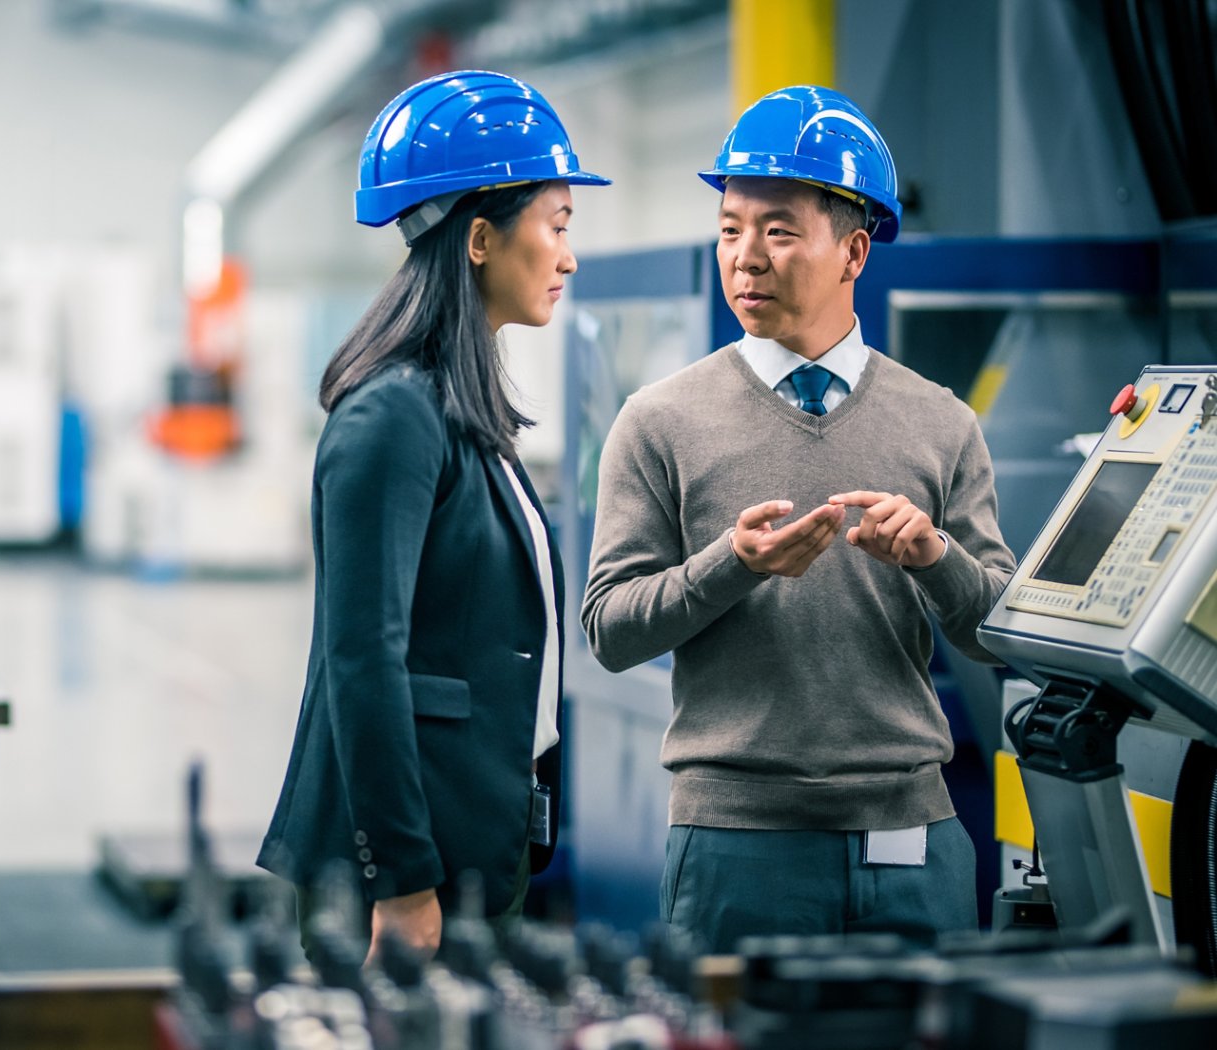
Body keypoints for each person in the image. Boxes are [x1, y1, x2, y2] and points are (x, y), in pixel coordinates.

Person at [580, 85, 1016, 951]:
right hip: (734, 847)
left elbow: (998, 630)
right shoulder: (658, 420)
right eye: (730, 228)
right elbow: (609, 630)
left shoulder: (941, 423)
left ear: (854, 252)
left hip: (911, 842)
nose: (746, 258)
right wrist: (730, 565)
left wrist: (935, 558)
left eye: (778, 231)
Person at [256, 70, 609, 964]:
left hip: (475, 848)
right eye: (557, 226)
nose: (569, 256)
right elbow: (361, 660)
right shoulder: (391, 415)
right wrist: (402, 880)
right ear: (482, 238)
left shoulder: (461, 402)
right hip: (409, 875)